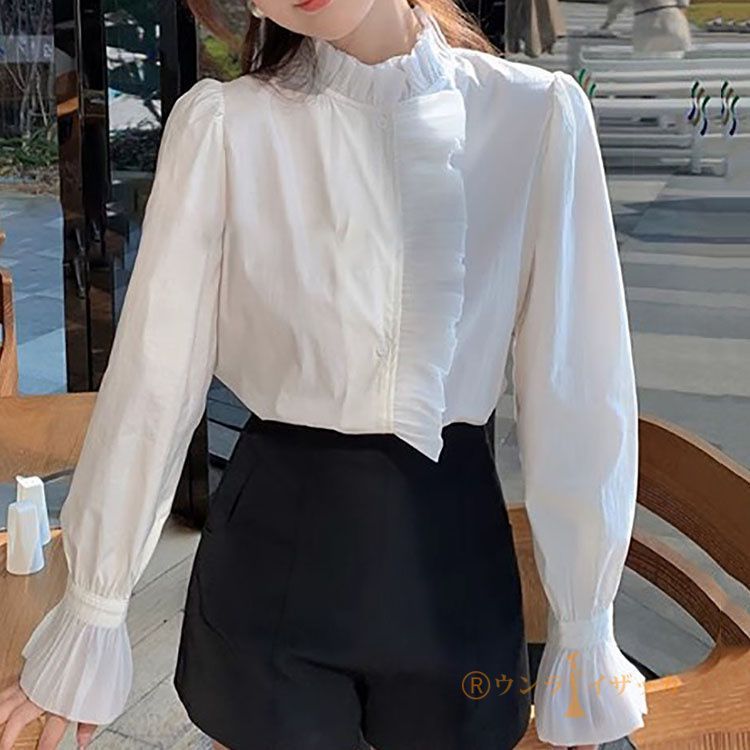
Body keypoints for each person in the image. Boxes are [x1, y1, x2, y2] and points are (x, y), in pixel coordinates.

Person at [0, 0, 649, 748]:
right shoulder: (225, 126)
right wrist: (91, 612)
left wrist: (585, 623)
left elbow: (577, 384)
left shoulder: (534, 117)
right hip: (271, 566)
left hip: (454, 565)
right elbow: (154, 379)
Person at [601, 0, 693, 56]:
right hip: (674, 19)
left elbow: (615, 6)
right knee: (681, 60)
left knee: (645, 61)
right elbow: (683, 4)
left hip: (646, 22)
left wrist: (606, 24)